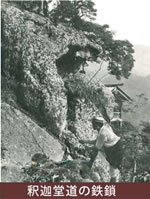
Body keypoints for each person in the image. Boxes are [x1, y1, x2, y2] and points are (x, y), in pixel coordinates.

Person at [80, 116, 123, 182]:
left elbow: (97, 147)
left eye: (93, 123)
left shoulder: (102, 133)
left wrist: (88, 148)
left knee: (113, 170)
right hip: (114, 146)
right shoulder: (103, 129)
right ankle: (90, 163)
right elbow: (97, 141)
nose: (92, 125)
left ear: (97, 124)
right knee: (112, 169)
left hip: (116, 149)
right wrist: (85, 141)